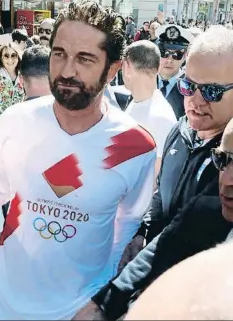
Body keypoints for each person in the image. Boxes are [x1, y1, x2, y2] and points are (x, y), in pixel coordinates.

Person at [0, 0, 157, 320]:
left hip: (81, 310)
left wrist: (102, 294)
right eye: (59, 54)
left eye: (85, 59)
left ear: (113, 68)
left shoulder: (135, 145)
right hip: (9, 305)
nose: (67, 70)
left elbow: (128, 219)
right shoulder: (17, 121)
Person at [89, 26, 233, 319]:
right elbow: (162, 195)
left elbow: (182, 231)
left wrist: (106, 302)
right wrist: (141, 232)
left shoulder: (228, 161)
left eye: (212, 91)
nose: (195, 99)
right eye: (187, 85)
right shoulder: (180, 131)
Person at [93, 117, 233, 320]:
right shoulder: (204, 213)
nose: (227, 180)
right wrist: (101, 306)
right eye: (222, 160)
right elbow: (156, 255)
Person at [122, 40, 177, 177]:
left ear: (127, 67)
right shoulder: (139, 103)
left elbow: (154, 180)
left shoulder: (158, 117)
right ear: (159, 67)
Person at [156, 24, 194, 119]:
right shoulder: (145, 81)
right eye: (164, 53)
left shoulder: (190, 89)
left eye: (177, 54)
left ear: (185, 56)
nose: (169, 60)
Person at [0, 42, 24, 122]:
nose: (10, 59)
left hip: (17, 123)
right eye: (6, 56)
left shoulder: (23, 76)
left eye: (13, 55)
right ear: (0, 58)